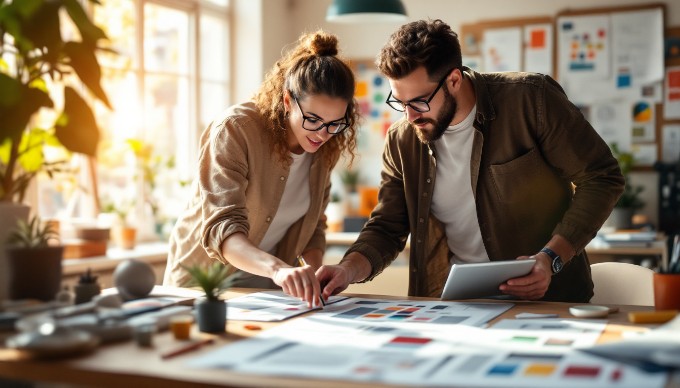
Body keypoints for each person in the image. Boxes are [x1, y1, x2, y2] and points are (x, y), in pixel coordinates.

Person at [317, 19, 624, 303]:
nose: (409, 116)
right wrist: (347, 270)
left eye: (419, 101)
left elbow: (601, 177)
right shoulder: (403, 140)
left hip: (548, 300)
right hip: (457, 307)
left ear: (453, 80)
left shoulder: (530, 101)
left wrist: (551, 258)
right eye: (400, 102)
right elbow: (387, 227)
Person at [163, 30, 358, 307]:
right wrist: (279, 270)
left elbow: (313, 228)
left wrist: (313, 278)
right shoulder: (236, 129)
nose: (322, 134)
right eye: (313, 119)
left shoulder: (325, 146)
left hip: (267, 295)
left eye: (335, 123)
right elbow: (223, 228)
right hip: (204, 288)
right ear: (288, 101)